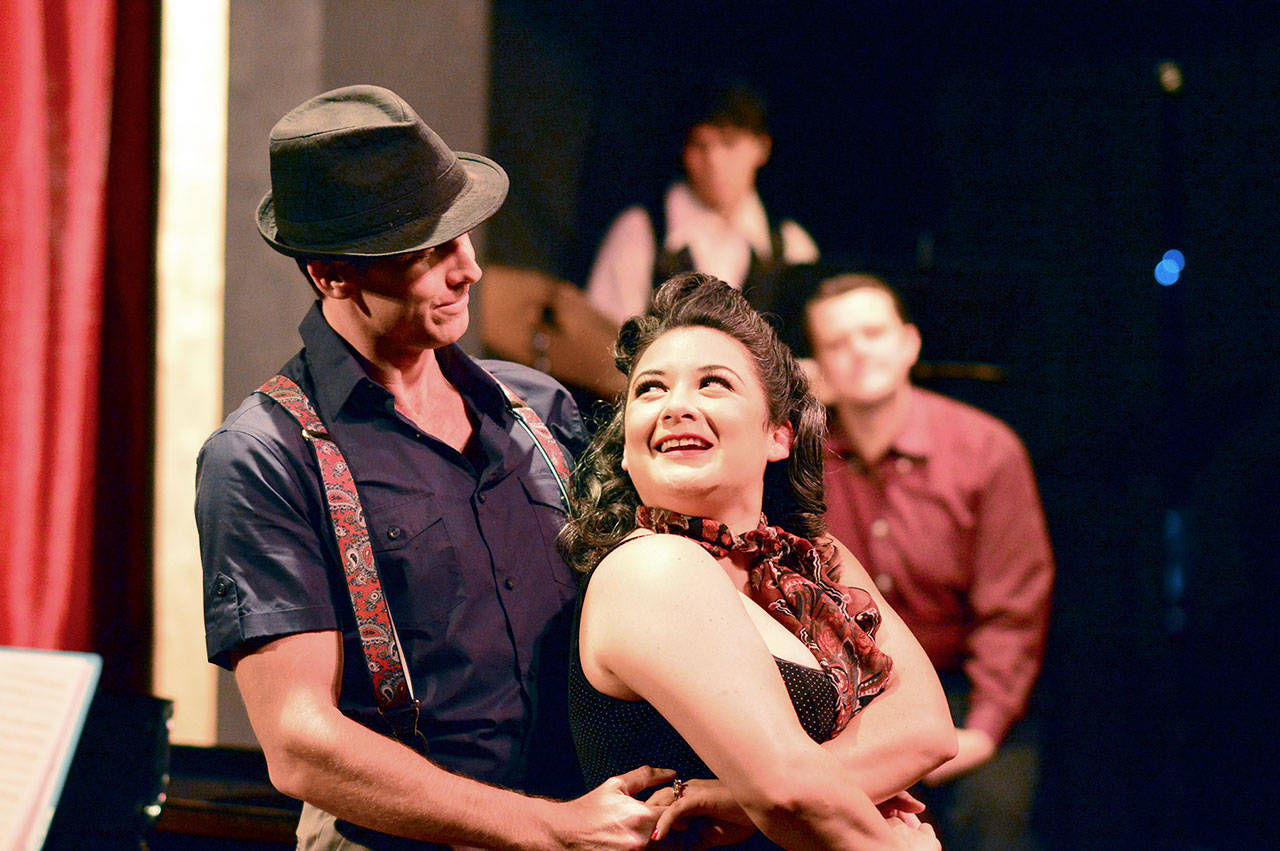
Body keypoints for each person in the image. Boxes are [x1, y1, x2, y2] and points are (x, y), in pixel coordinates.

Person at [195, 84, 671, 850]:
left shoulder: (539, 408)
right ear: (333, 275)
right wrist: (545, 827)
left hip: (592, 824)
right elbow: (299, 741)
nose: (470, 269)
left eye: (466, 236)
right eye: (430, 250)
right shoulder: (264, 455)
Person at [559, 273, 958, 849]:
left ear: (779, 434)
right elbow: (788, 792)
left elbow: (928, 729)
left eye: (713, 384)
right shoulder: (650, 569)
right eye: (650, 390)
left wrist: (731, 799)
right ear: (625, 446)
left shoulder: (816, 558)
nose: (675, 407)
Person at [804, 273, 1055, 849]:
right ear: (819, 363)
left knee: (993, 818)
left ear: (910, 344)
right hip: (854, 697)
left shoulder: (987, 450)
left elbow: (1013, 610)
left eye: (872, 332)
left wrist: (983, 731)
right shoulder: (804, 464)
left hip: (970, 689)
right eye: (838, 343)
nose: (859, 350)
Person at [585, 84, 819, 326]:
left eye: (729, 144)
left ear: (762, 148)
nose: (714, 162)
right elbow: (599, 342)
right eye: (700, 145)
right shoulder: (641, 231)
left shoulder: (791, 247)